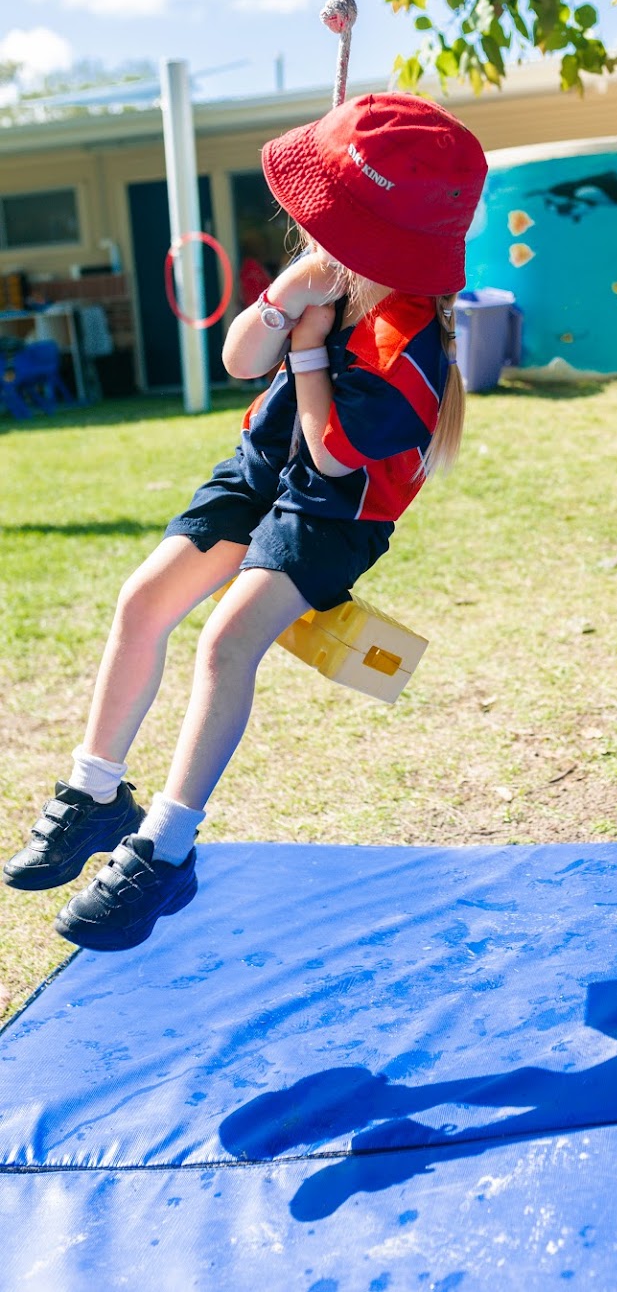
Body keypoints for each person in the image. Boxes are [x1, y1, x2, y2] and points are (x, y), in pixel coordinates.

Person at [2, 92, 486, 952]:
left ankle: (166, 849)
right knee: (144, 599)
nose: (317, 237)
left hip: (334, 509)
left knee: (225, 641)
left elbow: (335, 455)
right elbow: (237, 361)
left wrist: (308, 350)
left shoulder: (406, 340)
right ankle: (96, 791)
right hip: (263, 471)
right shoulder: (330, 274)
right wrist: (283, 303)